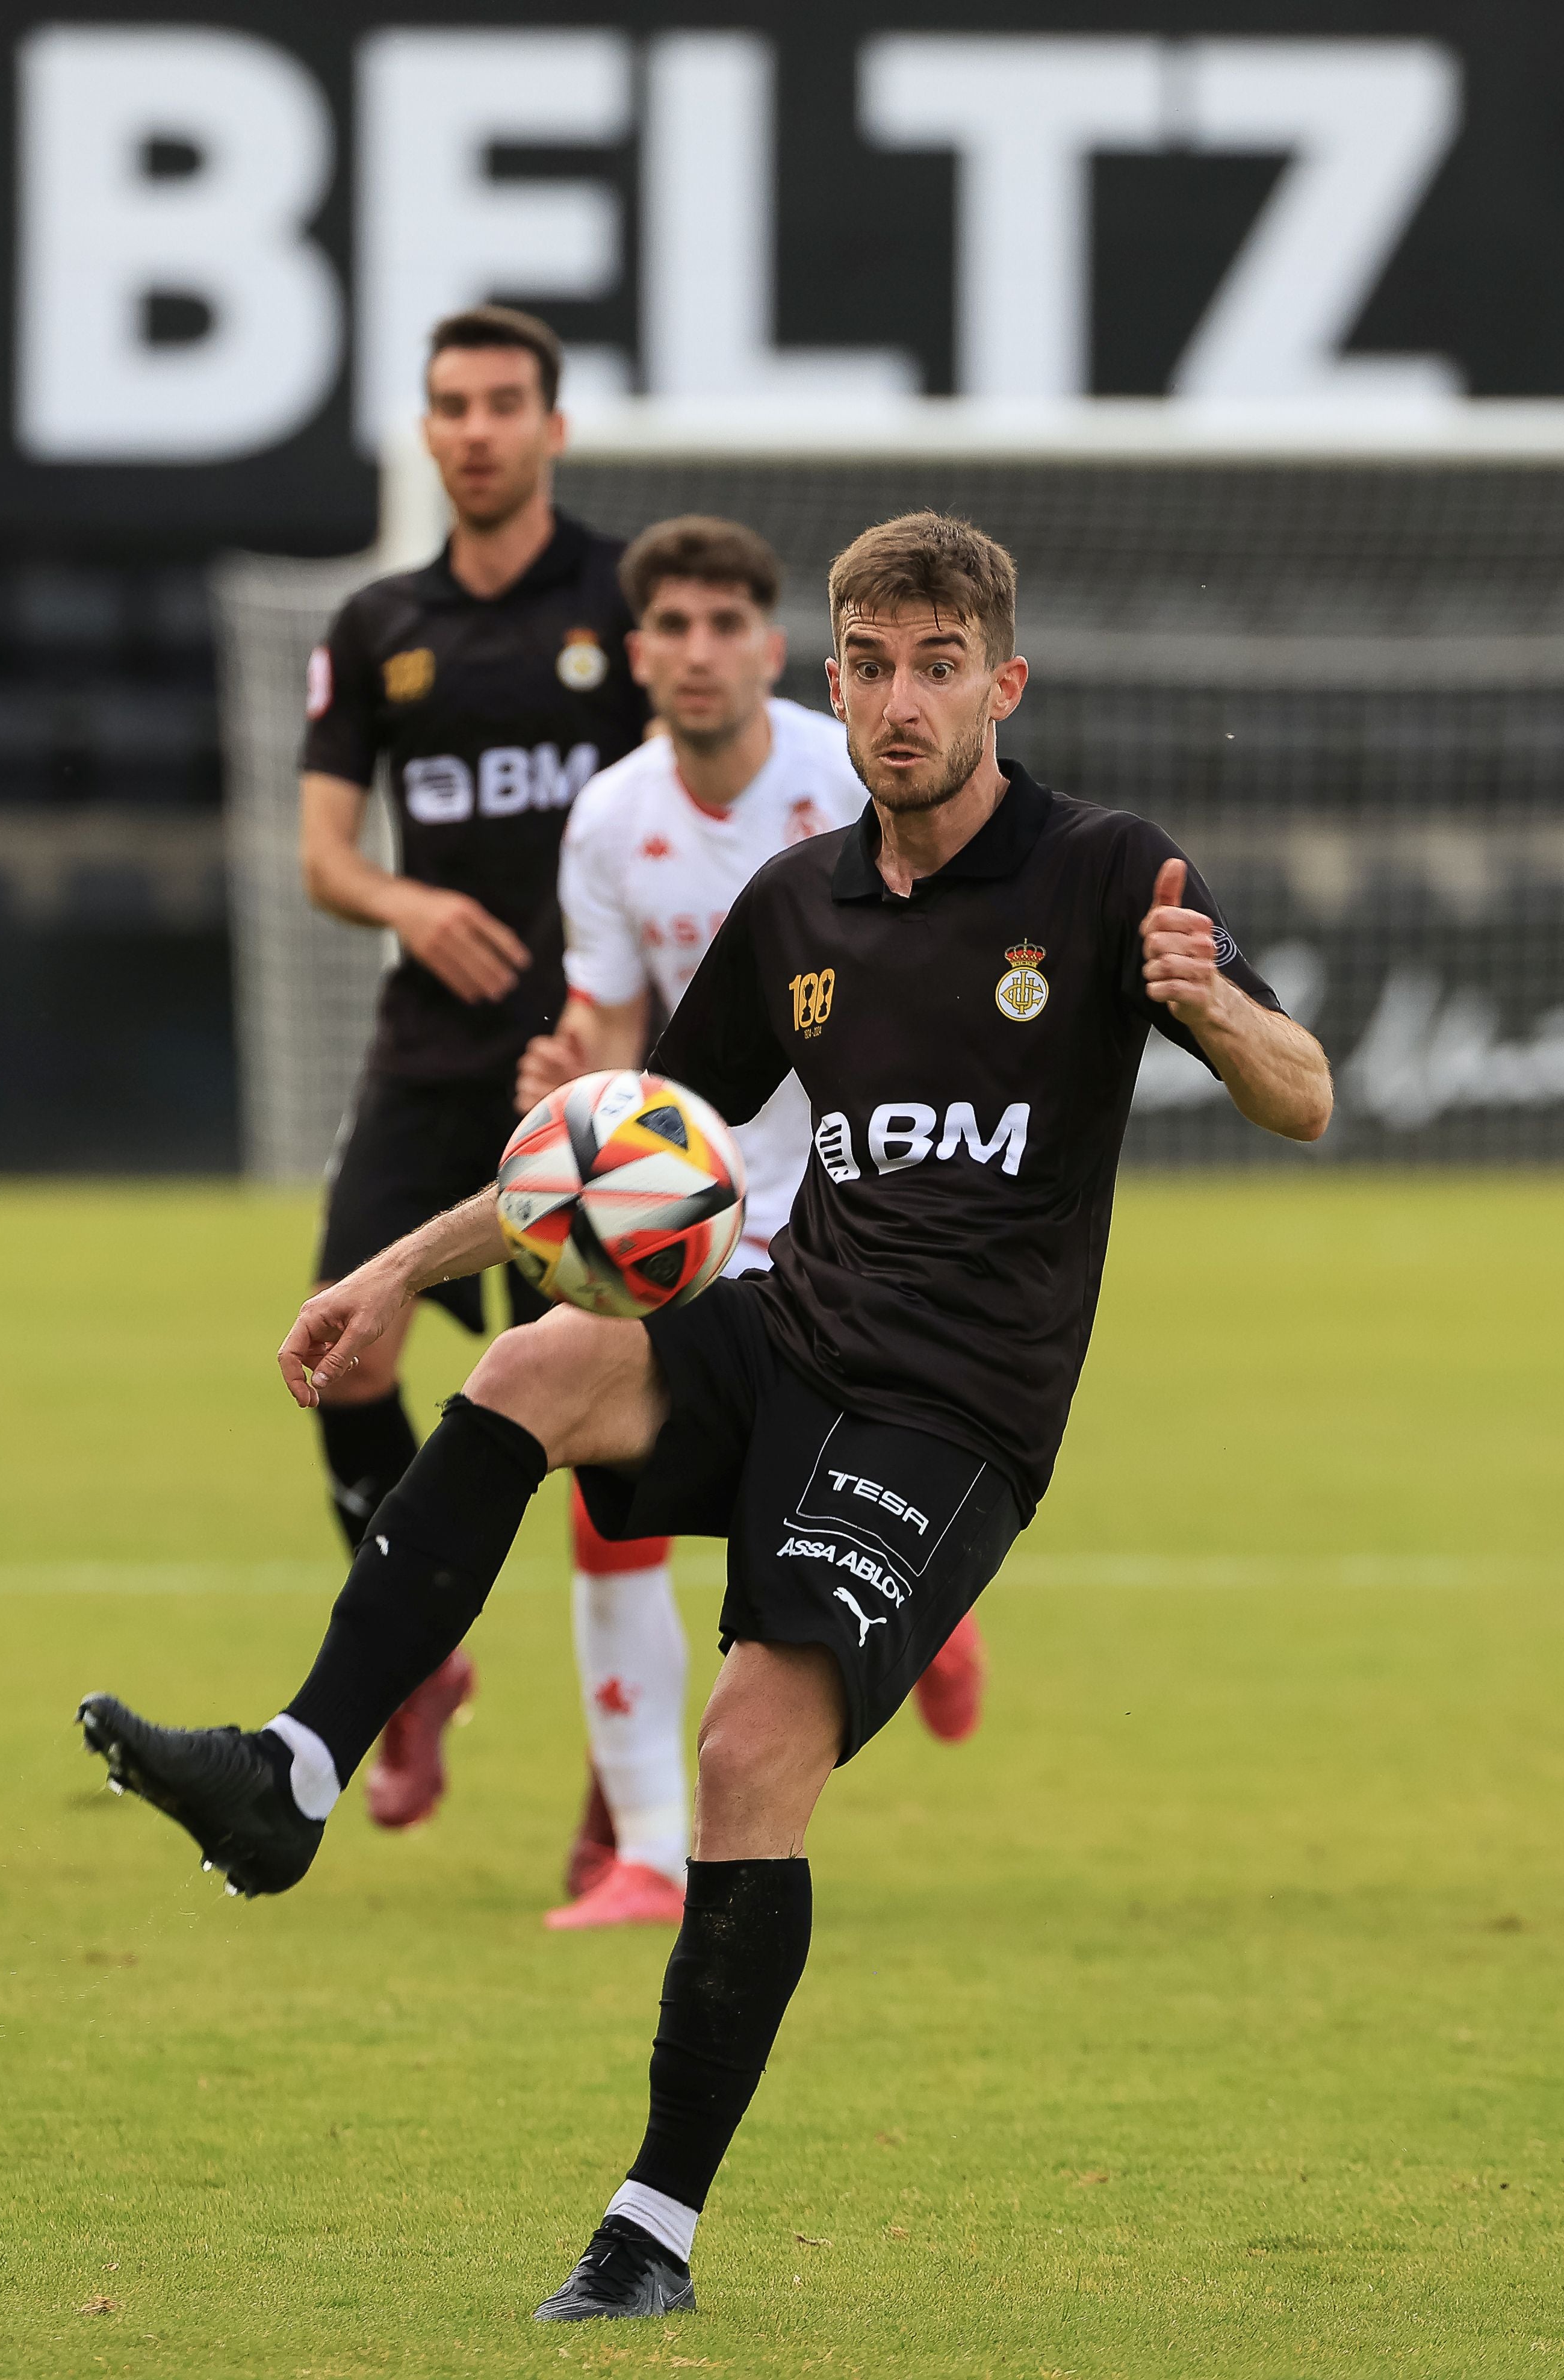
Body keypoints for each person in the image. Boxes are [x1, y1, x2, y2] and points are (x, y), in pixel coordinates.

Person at [78, 511, 1332, 2322]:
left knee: (746, 1758)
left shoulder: (1105, 875)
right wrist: (395, 1278)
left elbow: (1305, 1097)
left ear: (1004, 682)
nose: (903, 702)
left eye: (938, 666)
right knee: (527, 1363)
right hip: (791, 1330)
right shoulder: (800, 903)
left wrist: (1215, 1007)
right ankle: (295, 1772)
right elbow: (619, 1155)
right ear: (836, 681)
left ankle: (650, 2230)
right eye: (873, 666)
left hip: (954, 1415)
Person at [523, 512, 991, 1934]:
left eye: (728, 624)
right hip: (682, 1212)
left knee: (779, 1508)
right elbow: (609, 1027)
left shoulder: (843, 770)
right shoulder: (609, 816)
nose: (700, 650)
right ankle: (647, 1853)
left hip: (855, 1219)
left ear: (776, 652)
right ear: (637, 652)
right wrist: (574, 1097)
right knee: (596, 1486)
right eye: (673, 625)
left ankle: (925, 1606)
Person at [297, 303, 647, 1835]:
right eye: (453, 404)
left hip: (577, 1068)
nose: (480, 428)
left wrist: (620, 1028)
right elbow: (321, 855)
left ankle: (616, 1771)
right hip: (430, 1059)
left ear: (553, 429)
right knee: (344, 1348)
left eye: (508, 402)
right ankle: (417, 1663)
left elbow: (675, 815)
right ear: (427, 431)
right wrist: (405, 897)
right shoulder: (378, 624)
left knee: (588, 1413)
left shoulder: (631, 603)